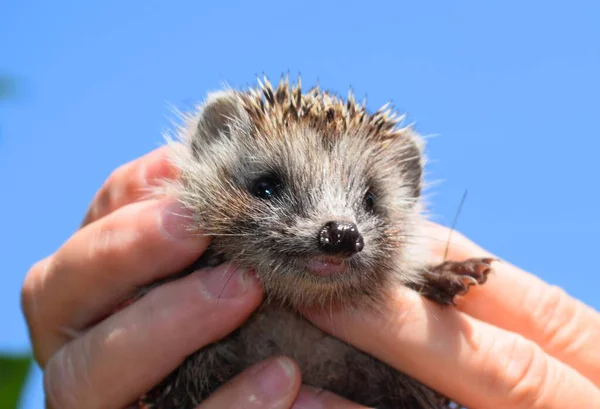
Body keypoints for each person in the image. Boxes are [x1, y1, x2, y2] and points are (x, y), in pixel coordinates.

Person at [21, 147, 600, 409]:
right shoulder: (179, 285)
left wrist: (429, 282)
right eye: (269, 187)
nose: (340, 230)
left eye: (369, 203)